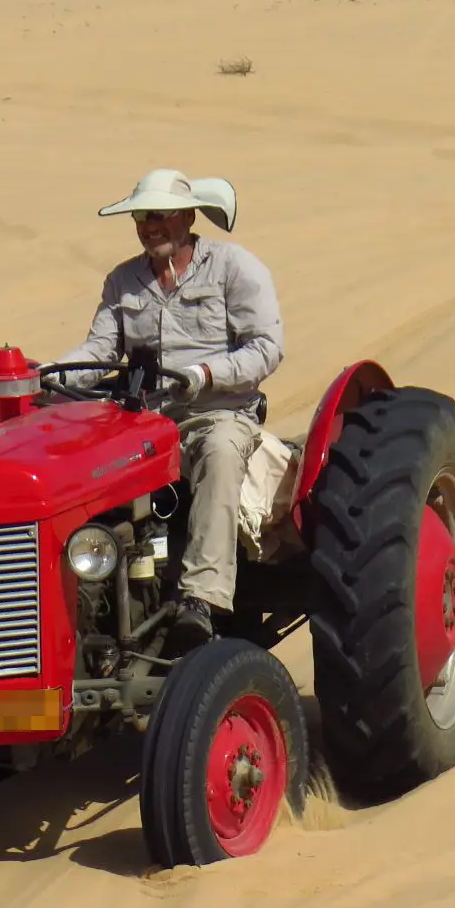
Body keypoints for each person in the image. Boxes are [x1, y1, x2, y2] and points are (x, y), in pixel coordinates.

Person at [52, 168, 285, 654]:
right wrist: (50, 375)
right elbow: (99, 351)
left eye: (159, 215)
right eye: (142, 216)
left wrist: (206, 374)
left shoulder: (232, 267)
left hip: (217, 414)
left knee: (219, 453)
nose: (148, 226)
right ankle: (85, 605)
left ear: (186, 218)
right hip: (143, 422)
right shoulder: (123, 281)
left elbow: (266, 347)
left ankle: (202, 598)